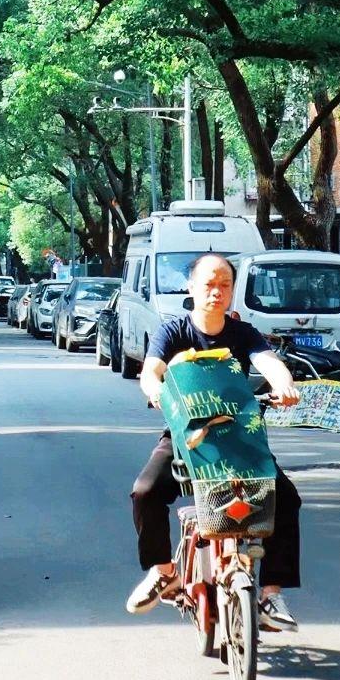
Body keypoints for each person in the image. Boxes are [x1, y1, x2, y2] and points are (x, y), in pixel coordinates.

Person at [126, 252, 303, 632]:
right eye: (209, 284)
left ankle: (271, 594)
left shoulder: (244, 334)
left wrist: (283, 384)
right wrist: (155, 390)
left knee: (286, 498)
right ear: (191, 287)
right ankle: (163, 572)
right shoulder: (172, 332)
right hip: (186, 437)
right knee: (145, 492)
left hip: (240, 437)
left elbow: (269, 362)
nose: (216, 292)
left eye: (225, 285)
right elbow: (151, 371)